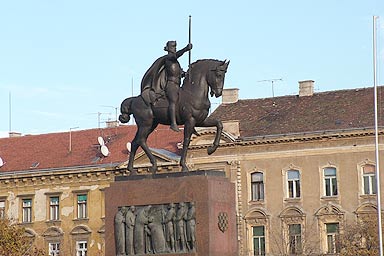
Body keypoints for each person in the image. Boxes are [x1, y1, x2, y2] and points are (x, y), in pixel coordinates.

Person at [140, 41, 192, 132]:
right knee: (173, 100)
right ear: (168, 48)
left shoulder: (176, 62)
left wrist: (184, 73)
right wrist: (185, 49)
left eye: (175, 46)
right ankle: (173, 123)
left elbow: (178, 73)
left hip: (178, 84)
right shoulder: (169, 58)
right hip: (170, 84)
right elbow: (175, 55)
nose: (174, 48)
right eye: (172, 47)